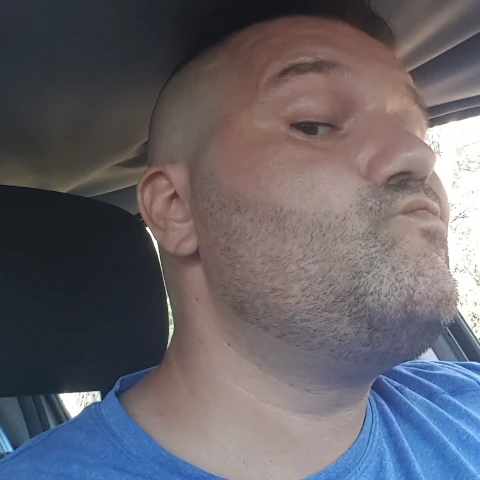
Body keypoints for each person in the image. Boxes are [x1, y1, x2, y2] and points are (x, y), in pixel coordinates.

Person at [2, 1, 480, 479]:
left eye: (417, 131)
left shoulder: (466, 399)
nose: (419, 156)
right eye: (313, 124)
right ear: (176, 207)